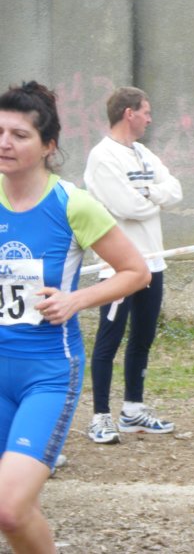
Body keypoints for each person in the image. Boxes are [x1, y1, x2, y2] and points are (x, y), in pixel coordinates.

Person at [0, 81, 150, 552]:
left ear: (48, 146)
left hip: (46, 374)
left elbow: (136, 272)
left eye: (19, 135)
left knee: (9, 509)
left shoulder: (72, 204)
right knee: (13, 508)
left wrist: (76, 300)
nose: (5, 142)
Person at [83, 87, 183, 444]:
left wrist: (150, 192)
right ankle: (100, 416)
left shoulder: (143, 153)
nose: (150, 119)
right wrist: (153, 198)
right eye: (146, 112)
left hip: (152, 261)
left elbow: (175, 190)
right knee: (109, 340)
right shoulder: (102, 157)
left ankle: (133, 410)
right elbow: (128, 207)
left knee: (143, 337)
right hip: (118, 267)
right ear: (129, 113)